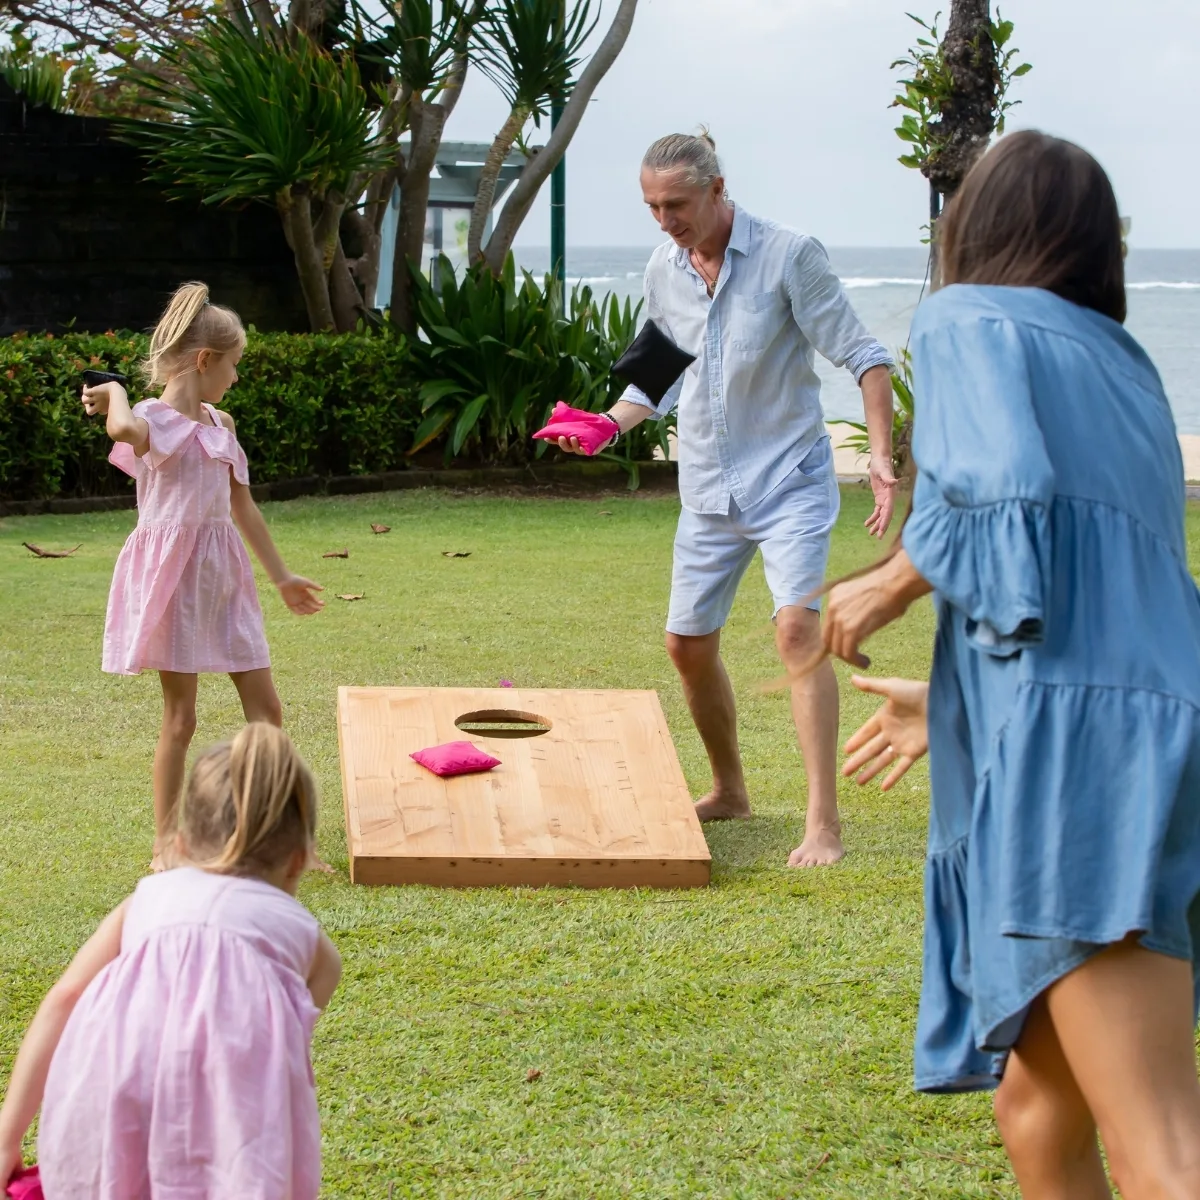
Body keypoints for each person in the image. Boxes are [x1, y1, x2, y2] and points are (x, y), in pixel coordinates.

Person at [821, 131, 1200, 1198]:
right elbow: (1105, 590)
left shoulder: (963, 318)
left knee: (1162, 1146)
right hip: (1139, 733)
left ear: (971, 229)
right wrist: (950, 703)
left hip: (1084, 761)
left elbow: (1008, 491)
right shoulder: (1122, 365)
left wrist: (892, 582)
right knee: (1036, 1112)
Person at [558, 130, 897, 867]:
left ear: (717, 189)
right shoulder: (664, 266)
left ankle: (822, 823)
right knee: (686, 644)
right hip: (708, 485)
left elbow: (866, 360)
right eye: (651, 206)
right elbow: (654, 375)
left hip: (789, 482)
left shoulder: (789, 255)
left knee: (795, 634)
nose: (664, 221)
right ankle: (731, 789)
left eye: (676, 203)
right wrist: (603, 429)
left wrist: (877, 453)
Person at [0, 723, 343, 1199]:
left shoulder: (147, 899)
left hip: (114, 1099)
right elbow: (282, 1046)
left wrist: (6, 1136)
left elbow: (66, 997)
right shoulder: (310, 941)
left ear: (179, 843)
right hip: (233, 1132)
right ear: (299, 859)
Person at [81, 282, 325, 870]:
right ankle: (168, 846)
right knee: (181, 718)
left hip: (224, 578)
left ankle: (289, 840)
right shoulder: (150, 420)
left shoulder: (222, 422)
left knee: (268, 712)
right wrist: (114, 390)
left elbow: (242, 507)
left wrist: (283, 577)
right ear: (204, 360)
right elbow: (121, 432)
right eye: (234, 365)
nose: (236, 377)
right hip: (173, 583)